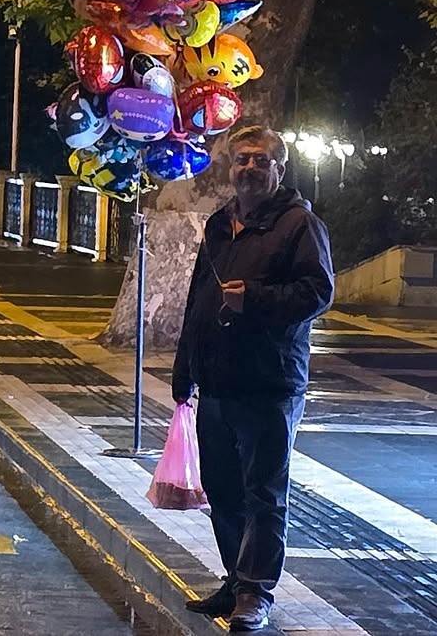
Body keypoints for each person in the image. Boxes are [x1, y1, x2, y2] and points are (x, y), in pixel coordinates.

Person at [172, 125, 334, 633]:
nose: (249, 168)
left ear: (278, 169)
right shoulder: (220, 224)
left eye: (260, 161)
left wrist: (257, 300)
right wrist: (185, 368)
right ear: (229, 167)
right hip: (218, 382)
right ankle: (234, 579)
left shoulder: (298, 225)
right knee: (223, 489)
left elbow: (317, 292)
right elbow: (199, 297)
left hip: (268, 383)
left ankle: (255, 594)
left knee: (264, 492)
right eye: (241, 159)